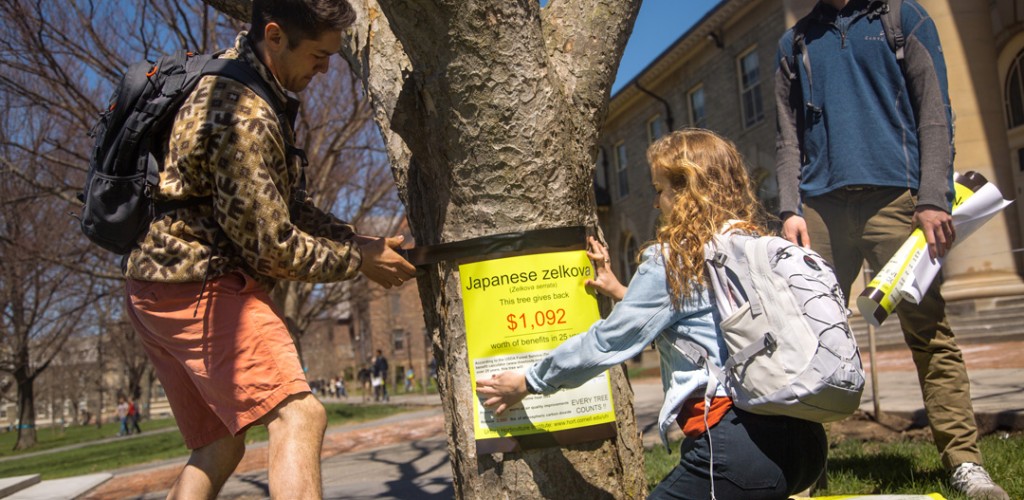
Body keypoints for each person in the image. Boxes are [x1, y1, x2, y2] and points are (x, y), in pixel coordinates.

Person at [121, 1, 417, 498]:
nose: (325, 70)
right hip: (200, 288)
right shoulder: (243, 115)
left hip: (152, 287)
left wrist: (356, 239)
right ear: (275, 36)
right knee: (300, 415)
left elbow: (286, 206)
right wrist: (358, 261)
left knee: (219, 445)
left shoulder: (237, 76)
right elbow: (273, 249)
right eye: (319, 56)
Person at [477, 129, 827, 499]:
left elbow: (608, 341)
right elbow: (705, 317)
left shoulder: (675, 260)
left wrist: (529, 382)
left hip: (735, 448)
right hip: (805, 443)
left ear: (687, 189)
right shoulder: (753, 246)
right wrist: (621, 291)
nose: (655, 202)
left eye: (660, 190)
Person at [774, 1, 1008, 499]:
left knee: (928, 333)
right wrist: (789, 207)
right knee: (804, 343)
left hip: (897, 201)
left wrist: (931, 198)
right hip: (818, 209)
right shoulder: (793, 43)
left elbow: (934, 112)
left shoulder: (903, 19)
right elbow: (787, 137)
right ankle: (804, 476)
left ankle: (965, 463)